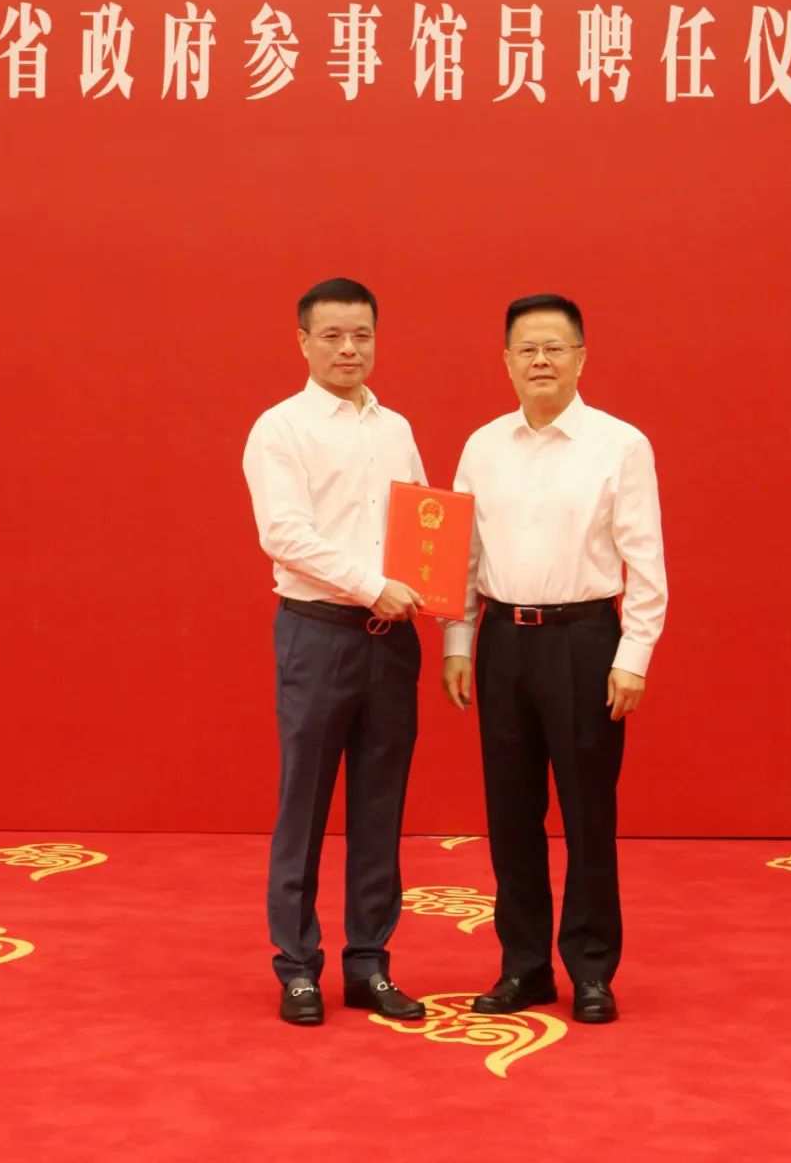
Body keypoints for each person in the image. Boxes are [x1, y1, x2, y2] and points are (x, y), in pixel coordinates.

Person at [441, 293, 667, 1024]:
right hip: (503, 640)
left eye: (555, 347)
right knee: (510, 814)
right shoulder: (482, 446)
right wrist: (457, 641)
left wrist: (634, 654)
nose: (541, 360)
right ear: (506, 361)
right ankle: (524, 966)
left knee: (587, 811)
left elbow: (646, 559)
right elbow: (462, 555)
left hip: (584, 642)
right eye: (527, 349)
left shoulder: (620, 444)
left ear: (581, 357)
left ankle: (593, 968)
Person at [243, 277, 428, 1026]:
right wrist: (373, 584)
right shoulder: (280, 429)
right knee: (306, 802)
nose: (349, 349)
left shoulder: (396, 427)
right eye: (333, 336)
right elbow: (285, 535)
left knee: (382, 807)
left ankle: (369, 962)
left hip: (393, 641)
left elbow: (424, 523)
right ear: (304, 342)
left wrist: (431, 594)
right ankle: (297, 965)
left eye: (362, 335)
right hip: (318, 634)